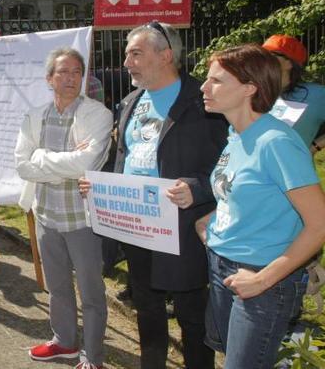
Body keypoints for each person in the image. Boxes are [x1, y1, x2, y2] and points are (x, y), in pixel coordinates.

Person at [82, 21, 227, 369]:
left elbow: (231, 162)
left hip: (185, 228)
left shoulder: (203, 101)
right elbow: (125, 156)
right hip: (138, 226)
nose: (126, 63)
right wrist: (101, 186)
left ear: (165, 55)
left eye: (135, 54)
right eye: (126, 55)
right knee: (146, 307)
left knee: (191, 314)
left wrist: (198, 189)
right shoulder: (131, 101)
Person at [197, 44, 325, 368]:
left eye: (216, 81)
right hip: (222, 267)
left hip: (261, 280)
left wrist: (262, 280)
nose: (203, 87)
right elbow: (242, 194)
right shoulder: (236, 134)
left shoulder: (276, 142)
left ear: (249, 88)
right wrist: (210, 222)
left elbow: (320, 224)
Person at [16, 49, 112, 369]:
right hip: (46, 215)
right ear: (49, 79)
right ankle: (65, 343)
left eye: (76, 72)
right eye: (63, 72)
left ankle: (93, 358)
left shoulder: (97, 114)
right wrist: (63, 162)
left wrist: (41, 157)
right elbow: (22, 167)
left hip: (81, 219)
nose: (71, 78)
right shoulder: (34, 117)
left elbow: (87, 162)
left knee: (91, 293)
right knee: (57, 287)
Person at [261, 34, 325, 151]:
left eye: (270, 55)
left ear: (289, 63)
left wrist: (315, 146)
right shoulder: (254, 93)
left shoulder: (316, 95)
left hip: (295, 168)